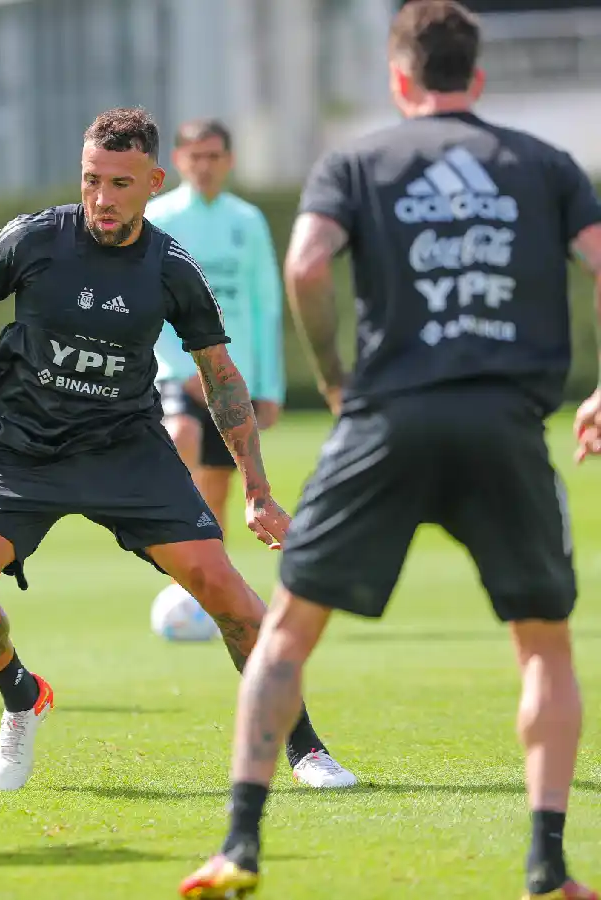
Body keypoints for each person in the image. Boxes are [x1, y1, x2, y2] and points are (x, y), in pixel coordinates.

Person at [182, 3, 601, 898]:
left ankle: (240, 847)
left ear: (399, 78)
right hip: (505, 423)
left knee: (288, 633)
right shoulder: (545, 164)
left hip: (385, 419)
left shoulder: (357, 161)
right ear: (475, 79)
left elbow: (305, 266)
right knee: (545, 650)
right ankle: (546, 867)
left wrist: (335, 379)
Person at [0, 107, 355, 793]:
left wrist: (257, 491)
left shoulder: (171, 268)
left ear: (153, 181)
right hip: (27, 449)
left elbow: (222, 380)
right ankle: (20, 696)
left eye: (120, 183)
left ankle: (304, 748)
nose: (101, 197)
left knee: (232, 598)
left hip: (126, 449)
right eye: (91, 179)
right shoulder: (33, 241)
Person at [147, 120, 285, 531]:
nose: (204, 166)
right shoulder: (158, 216)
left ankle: (208, 591)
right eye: (196, 156)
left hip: (232, 377)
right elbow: (147, 304)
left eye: (213, 156)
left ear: (229, 161)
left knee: (218, 494)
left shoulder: (248, 221)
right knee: (181, 432)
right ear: (177, 161)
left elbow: (265, 306)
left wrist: (269, 388)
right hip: (179, 373)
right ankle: (167, 535)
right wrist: (182, 368)